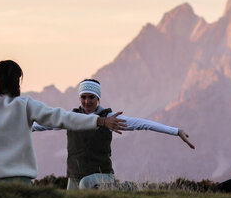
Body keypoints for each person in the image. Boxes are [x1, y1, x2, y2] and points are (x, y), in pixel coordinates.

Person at [33, 78, 195, 190]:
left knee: (86, 184)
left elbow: (143, 124)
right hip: (74, 175)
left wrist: (176, 131)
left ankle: (124, 188)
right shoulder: (71, 118)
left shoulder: (110, 119)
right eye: (84, 97)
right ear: (79, 98)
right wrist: (16, 128)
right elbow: (42, 125)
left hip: (102, 175)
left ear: (98, 99)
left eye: (91, 97)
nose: (87, 101)